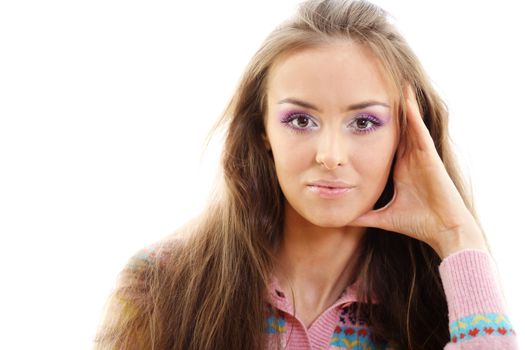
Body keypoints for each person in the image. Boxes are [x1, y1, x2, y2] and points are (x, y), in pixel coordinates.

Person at [93, 0, 517, 349]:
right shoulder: (161, 283)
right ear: (262, 129)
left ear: (407, 135)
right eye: (300, 120)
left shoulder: (443, 296)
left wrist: (459, 235)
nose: (330, 155)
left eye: (364, 123)